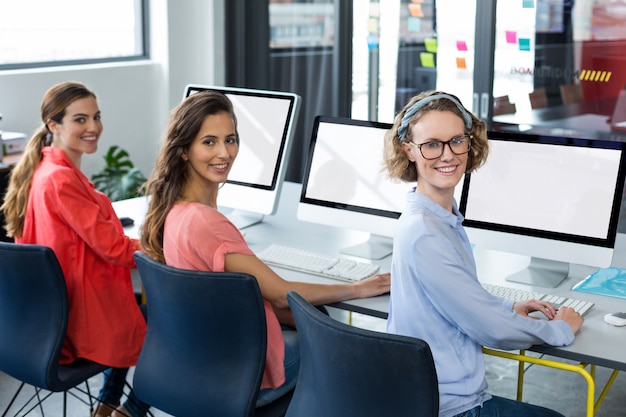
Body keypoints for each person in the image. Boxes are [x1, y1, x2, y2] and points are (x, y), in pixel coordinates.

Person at [140, 90, 391, 407]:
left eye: (230, 139)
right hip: (247, 372)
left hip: (205, 361)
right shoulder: (207, 224)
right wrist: (356, 288)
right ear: (184, 151)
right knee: (350, 355)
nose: (225, 153)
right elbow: (280, 293)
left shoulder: (175, 212)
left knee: (314, 319)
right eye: (209, 142)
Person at [382, 90, 584, 417]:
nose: (447, 155)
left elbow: (460, 297)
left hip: (423, 394)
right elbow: (492, 329)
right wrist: (560, 328)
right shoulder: (425, 233)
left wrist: (509, 306)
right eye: (432, 144)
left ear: (469, 143)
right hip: (450, 408)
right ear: (409, 150)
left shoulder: (433, 217)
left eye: (456, 141)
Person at [0, 81, 149, 417]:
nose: (94, 127)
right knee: (165, 324)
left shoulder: (44, 170)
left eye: (96, 117)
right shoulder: (62, 180)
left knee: (135, 317)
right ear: (54, 125)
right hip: (74, 324)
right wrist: (165, 245)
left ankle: (107, 406)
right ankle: (131, 410)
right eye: (80, 119)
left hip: (44, 321)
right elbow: (114, 249)